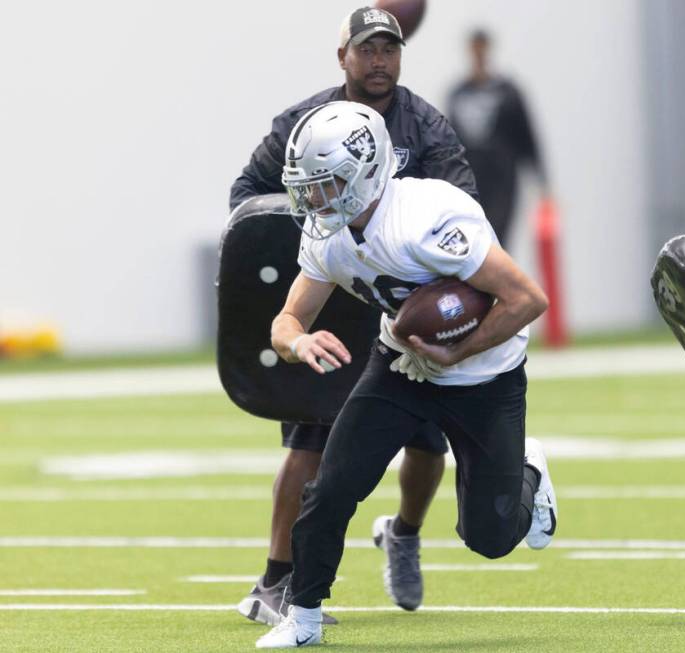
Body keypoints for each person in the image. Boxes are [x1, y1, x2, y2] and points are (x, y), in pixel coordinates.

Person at [254, 100, 557, 648]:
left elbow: (527, 298)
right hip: (400, 363)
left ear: (364, 174)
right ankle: (304, 619)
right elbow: (286, 318)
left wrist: (458, 351)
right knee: (331, 489)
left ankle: (529, 474)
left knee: (489, 538)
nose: (313, 199)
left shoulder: (426, 217)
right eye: (309, 185)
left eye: (326, 184)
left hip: (485, 375)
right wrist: (299, 340)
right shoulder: (328, 235)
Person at [229, 6, 479, 625]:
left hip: (403, 307)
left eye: (388, 49)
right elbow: (247, 198)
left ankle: (405, 533)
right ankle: (274, 580)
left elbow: (466, 205)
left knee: (427, 444)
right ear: (342, 56)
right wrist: (318, 253)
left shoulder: (424, 125)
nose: (379, 61)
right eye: (367, 50)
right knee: (313, 437)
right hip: (335, 302)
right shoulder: (304, 123)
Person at [446, 29, 548, 247]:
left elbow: (527, 136)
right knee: (470, 238)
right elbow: (447, 142)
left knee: (499, 238)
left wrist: (542, 183)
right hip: (469, 179)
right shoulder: (458, 94)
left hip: (502, 179)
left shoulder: (508, 93)